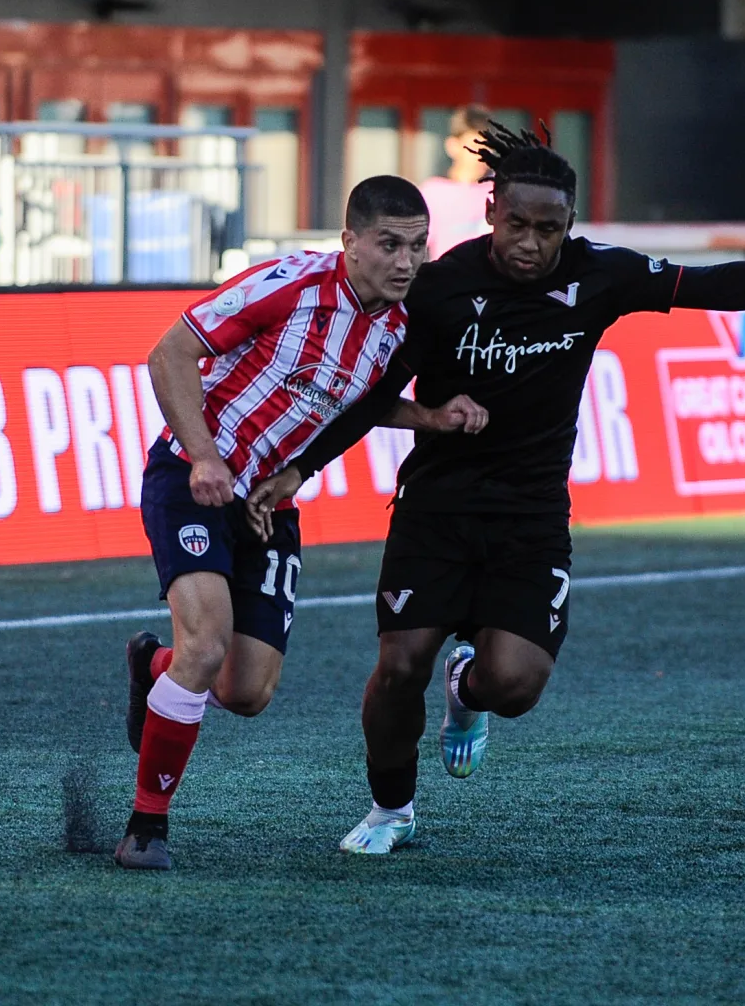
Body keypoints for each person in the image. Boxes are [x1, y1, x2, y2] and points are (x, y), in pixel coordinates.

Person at [248, 121, 745, 855]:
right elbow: (373, 393)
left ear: (568, 226)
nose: (530, 243)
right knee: (397, 666)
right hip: (438, 509)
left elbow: (714, 284)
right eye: (516, 224)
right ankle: (392, 810)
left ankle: (470, 692)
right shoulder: (443, 287)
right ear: (492, 213)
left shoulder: (599, 276)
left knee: (513, 686)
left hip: (532, 515)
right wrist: (300, 468)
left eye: (548, 229)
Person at [114, 174, 488, 870]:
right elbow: (169, 353)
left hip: (270, 506)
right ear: (349, 242)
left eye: (416, 246)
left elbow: (360, 403)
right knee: (206, 645)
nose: (406, 262)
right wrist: (202, 457)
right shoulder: (286, 285)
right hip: (191, 479)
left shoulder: (404, 324)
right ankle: (146, 828)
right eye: (388, 245)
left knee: (246, 692)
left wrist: (431, 417)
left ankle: (152, 667)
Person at [420, 104, 493, 260]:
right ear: (452, 146)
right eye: (473, 147)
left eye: (487, 147)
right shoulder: (433, 193)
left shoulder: (499, 191)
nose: (481, 156)